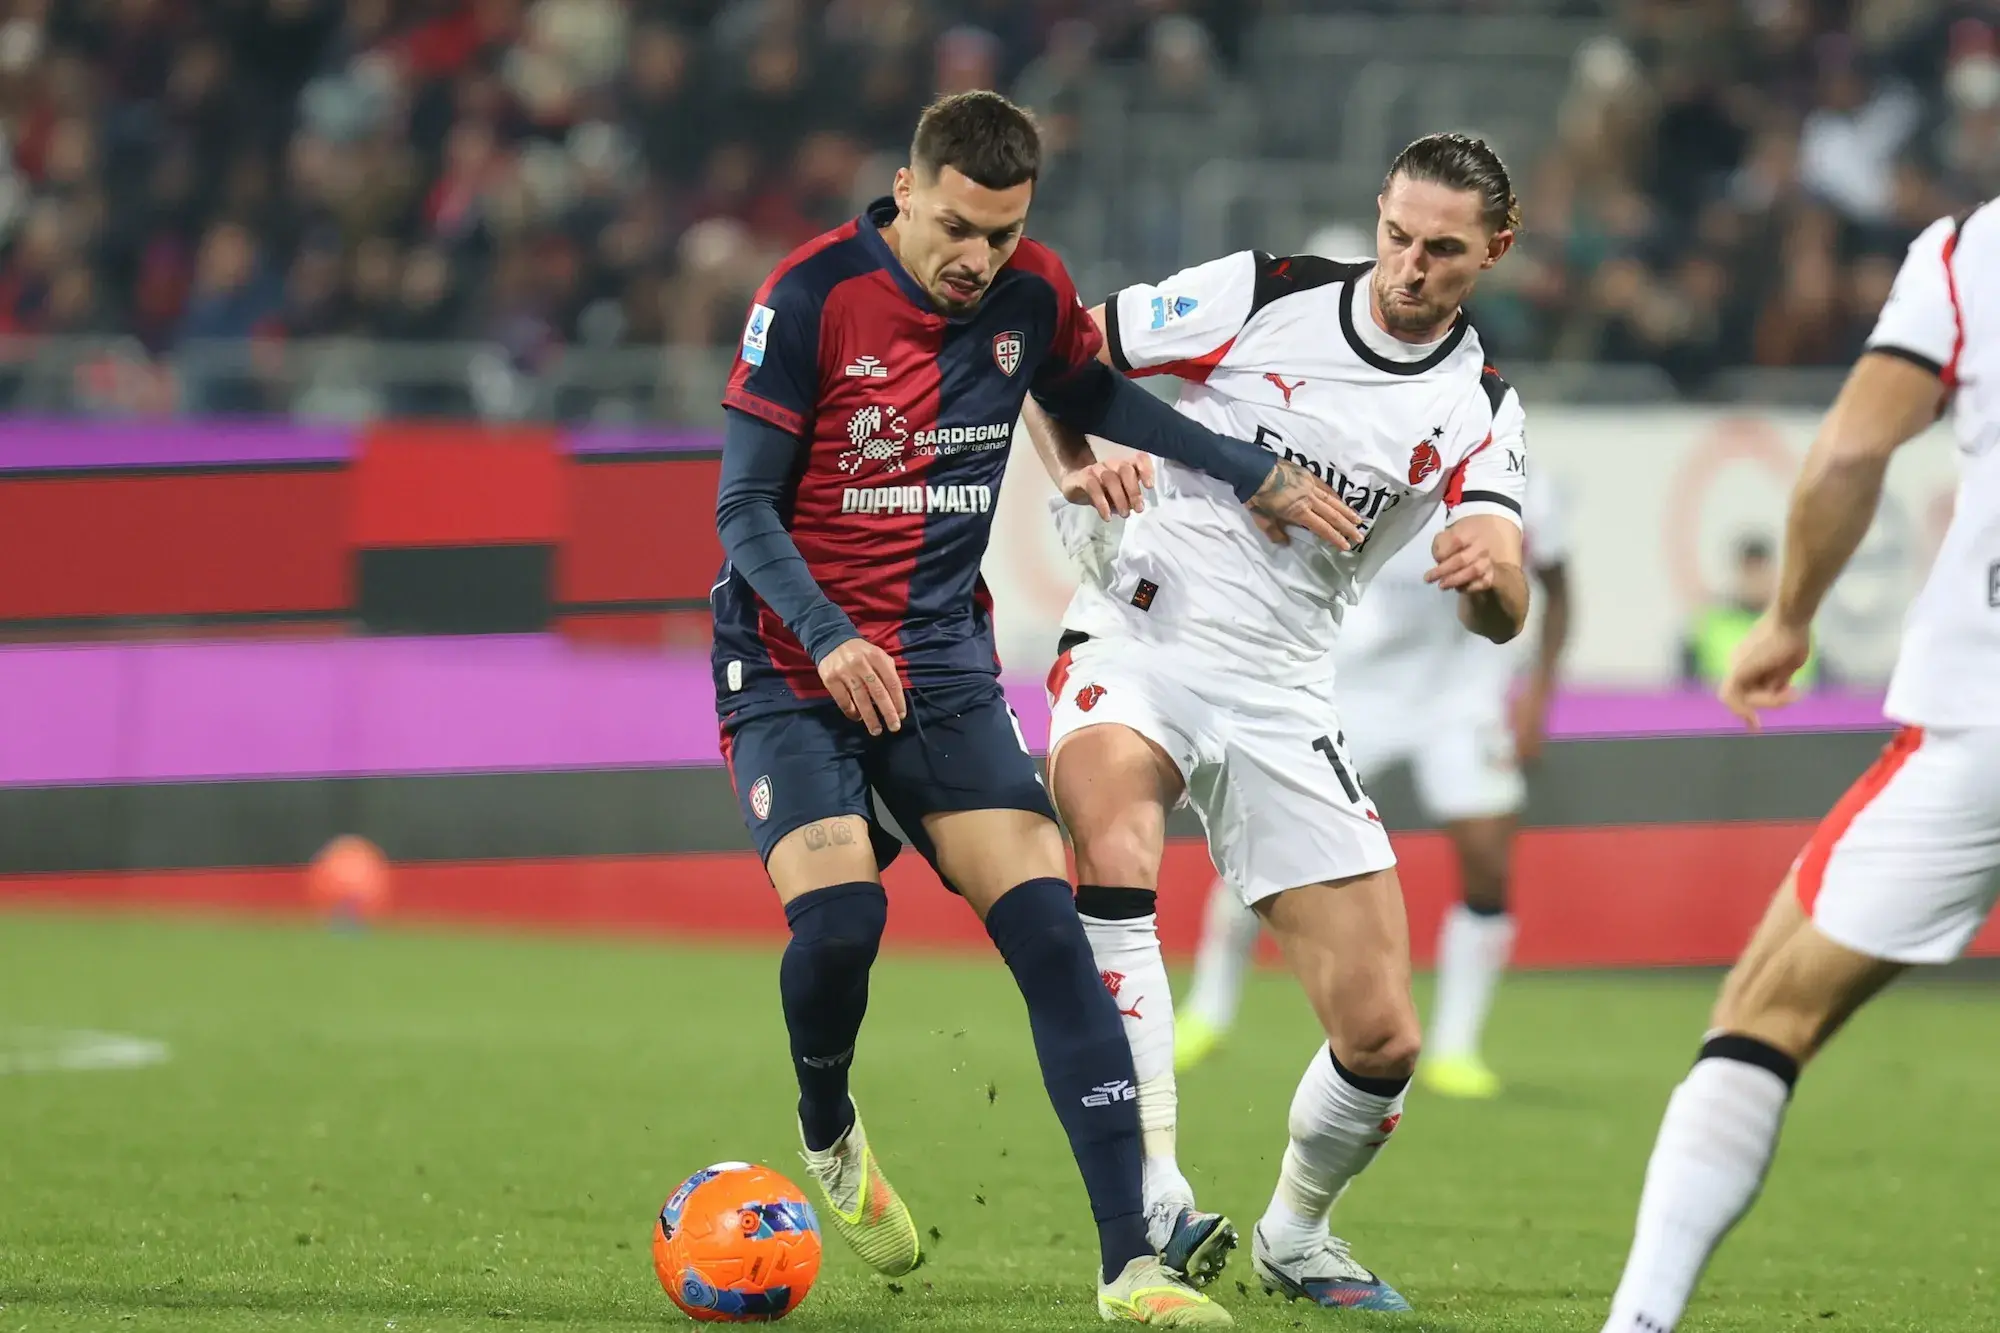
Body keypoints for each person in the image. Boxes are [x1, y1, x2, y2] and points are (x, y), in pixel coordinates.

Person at [712, 90, 1354, 1327]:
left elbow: (1096, 394)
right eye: (957, 228)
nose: (978, 261)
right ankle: (828, 1121)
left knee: (1053, 933)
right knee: (842, 924)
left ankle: (1131, 1266)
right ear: (904, 191)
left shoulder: (1026, 293)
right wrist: (832, 633)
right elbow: (742, 511)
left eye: (1003, 236)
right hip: (794, 661)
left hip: (941, 666)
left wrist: (1249, 471)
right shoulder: (805, 301)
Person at [1024, 132, 1531, 1312]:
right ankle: (1149, 1196)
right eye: (1396, 235)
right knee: (1113, 850)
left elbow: (1505, 595)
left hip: (1284, 692)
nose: (1408, 265)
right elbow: (1052, 354)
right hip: (1138, 638)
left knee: (1383, 1041)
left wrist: (1488, 575)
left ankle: (1294, 1235)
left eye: (1441, 250)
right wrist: (1074, 466)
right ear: (1377, 217)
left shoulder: (1477, 409)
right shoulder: (1266, 293)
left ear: (1492, 254)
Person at [1600, 205, 2000, 1332]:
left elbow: (1852, 448)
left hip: (1984, 717)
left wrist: (1786, 618)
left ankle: (1636, 1324)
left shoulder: (1971, 250)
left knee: (1761, 1011)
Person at [1174, 467, 1572, 1100]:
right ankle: (1207, 1010)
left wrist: (1539, 697)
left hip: (1461, 694)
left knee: (1488, 860)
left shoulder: (1513, 471)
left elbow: (1558, 585)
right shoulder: (1364, 441)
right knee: (1266, 834)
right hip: (1351, 683)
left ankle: (1455, 1048)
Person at [1680, 535, 1819, 689]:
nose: (1756, 580)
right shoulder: (1709, 628)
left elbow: (1824, 691)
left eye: (1761, 570)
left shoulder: (1798, 629)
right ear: (1738, 573)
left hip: (1790, 711)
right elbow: (1686, 690)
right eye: (1750, 571)